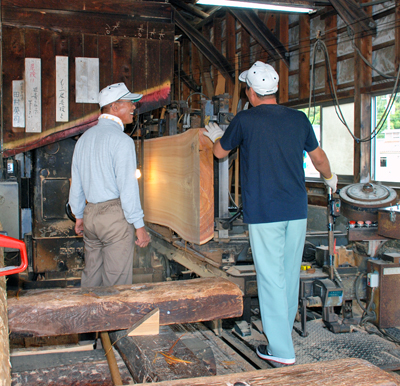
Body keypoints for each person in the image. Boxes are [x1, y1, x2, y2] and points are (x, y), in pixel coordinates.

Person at [203, 61, 337, 366]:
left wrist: (215, 136)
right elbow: (319, 159)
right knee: (288, 275)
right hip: (296, 210)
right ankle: (282, 335)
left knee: (270, 278)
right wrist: (331, 179)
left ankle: (281, 351)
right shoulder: (299, 119)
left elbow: (220, 152)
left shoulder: (245, 120)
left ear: (250, 92)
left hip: (265, 212)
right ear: (275, 90)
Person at [69, 82, 151, 288]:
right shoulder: (122, 141)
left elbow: (76, 183)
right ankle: (113, 321)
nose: (134, 107)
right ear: (114, 107)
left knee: (91, 278)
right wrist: (139, 225)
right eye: (129, 103)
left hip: (91, 216)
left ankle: (87, 318)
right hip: (114, 217)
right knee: (116, 284)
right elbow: (128, 188)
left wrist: (79, 216)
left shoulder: (83, 140)